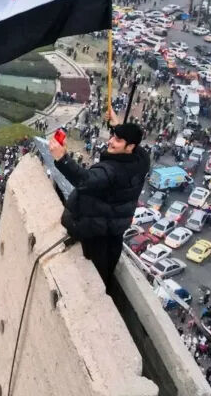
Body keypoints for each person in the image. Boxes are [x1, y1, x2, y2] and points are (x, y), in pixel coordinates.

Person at [48, 109, 151, 285]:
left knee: (95, 277)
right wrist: (117, 125)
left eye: (118, 140)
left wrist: (62, 159)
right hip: (114, 228)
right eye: (113, 136)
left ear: (130, 146)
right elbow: (132, 142)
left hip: (94, 229)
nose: (110, 141)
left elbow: (84, 180)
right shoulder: (142, 159)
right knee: (107, 268)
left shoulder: (110, 171)